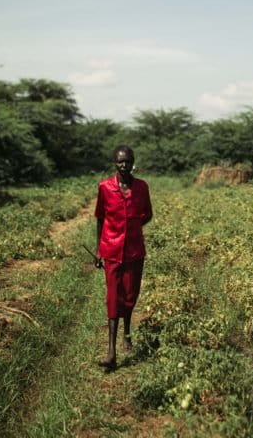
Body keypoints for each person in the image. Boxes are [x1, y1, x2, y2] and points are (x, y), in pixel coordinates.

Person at [93, 145, 153, 370]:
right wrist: (99, 249)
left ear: (133, 162)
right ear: (114, 163)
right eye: (120, 162)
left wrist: (133, 228)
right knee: (113, 298)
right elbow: (100, 218)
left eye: (127, 161)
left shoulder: (142, 187)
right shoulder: (105, 188)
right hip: (111, 250)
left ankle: (127, 334)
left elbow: (147, 214)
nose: (124, 165)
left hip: (134, 251)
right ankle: (111, 351)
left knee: (130, 295)